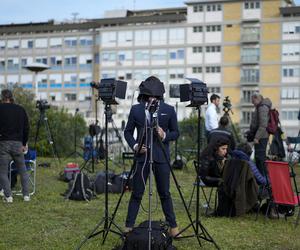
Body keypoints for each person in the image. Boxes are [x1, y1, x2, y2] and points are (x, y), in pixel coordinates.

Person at [124, 76, 180, 237]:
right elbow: (127, 131)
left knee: (165, 193)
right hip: (141, 158)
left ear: (160, 96)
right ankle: (128, 227)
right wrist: (135, 146)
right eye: (149, 96)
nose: (152, 99)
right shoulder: (136, 109)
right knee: (137, 193)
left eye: (155, 96)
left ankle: (173, 227)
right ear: (144, 96)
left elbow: (176, 132)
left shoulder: (169, 110)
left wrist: (164, 135)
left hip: (161, 158)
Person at [0, 89, 30, 202]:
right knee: (22, 170)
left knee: (2, 172)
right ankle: (26, 195)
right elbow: (26, 128)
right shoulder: (21, 109)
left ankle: (8, 196)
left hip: (3, 143)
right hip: (18, 143)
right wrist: (23, 143)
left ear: (2, 97)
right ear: (11, 97)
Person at [249, 93, 272, 175]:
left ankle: (264, 179)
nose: (252, 103)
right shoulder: (260, 107)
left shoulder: (262, 108)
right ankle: (262, 178)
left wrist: (257, 137)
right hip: (261, 136)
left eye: (253, 101)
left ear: (257, 98)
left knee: (260, 158)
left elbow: (263, 125)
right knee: (258, 157)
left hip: (261, 137)